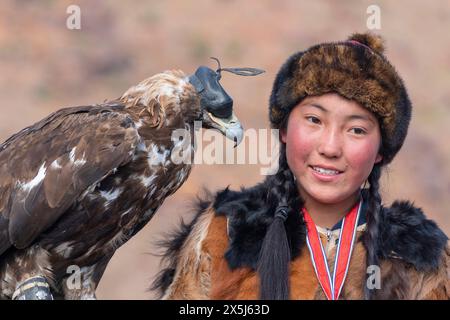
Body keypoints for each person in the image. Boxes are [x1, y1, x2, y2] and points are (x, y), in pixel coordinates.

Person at [152, 33, 449, 300]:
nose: (330, 147)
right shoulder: (226, 230)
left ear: (380, 151)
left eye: (356, 130)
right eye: (314, 120)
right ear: (284, 130)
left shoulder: (422, 257)